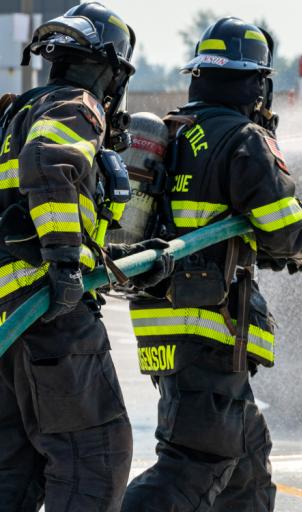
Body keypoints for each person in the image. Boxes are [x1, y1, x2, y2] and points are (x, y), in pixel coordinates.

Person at [123, 17, 302, 511]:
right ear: (257, 81)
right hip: (208, 327)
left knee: (245, 469)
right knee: (193, 465)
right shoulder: (244, 138)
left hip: (165, 324)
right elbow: (282, 227)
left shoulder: (174, 135)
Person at [0, 3, 162, 510]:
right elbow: (49, 164)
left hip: (13, 315)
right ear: (110, 69)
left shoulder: (19, 111)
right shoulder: (76, 105)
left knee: (18, 466)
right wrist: (65, 262)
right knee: (95, 457)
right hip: (51, 309)